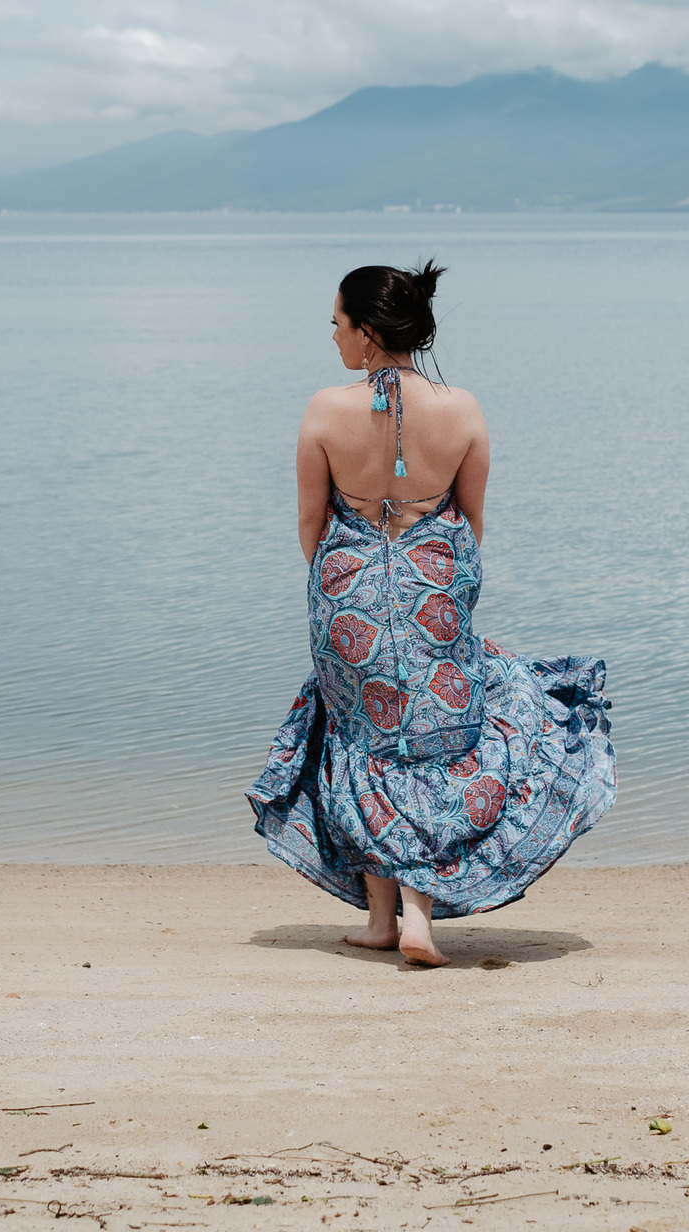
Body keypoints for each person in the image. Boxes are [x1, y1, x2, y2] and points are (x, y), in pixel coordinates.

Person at [247, 261, 616, 965]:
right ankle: (409, 918)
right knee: (440, 738)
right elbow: (471, 523)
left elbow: (308, 523)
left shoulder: (325, 409)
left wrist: (352, 589)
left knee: (363, 738)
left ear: (368, 331)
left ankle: (389, 918)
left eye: (337, 323)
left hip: (346, 594)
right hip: (436, 590)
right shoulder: (463, 409)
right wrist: (429, 590)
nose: (332, 337)